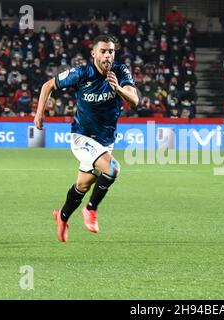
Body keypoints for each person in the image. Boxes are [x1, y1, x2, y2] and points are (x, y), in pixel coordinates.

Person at [34, 34, 139, 242]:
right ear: (94, 54)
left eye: (111, 51)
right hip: (82, 138)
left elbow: (134, 100)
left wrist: (117, 88)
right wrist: (39, 113)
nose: (107, 55)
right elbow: (48, 86)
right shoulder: (82, 73)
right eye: (103, 51)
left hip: (105, 142)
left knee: (82, 186)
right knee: (112, 169)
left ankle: (62, 217)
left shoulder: (120, 71)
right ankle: (90, 209)